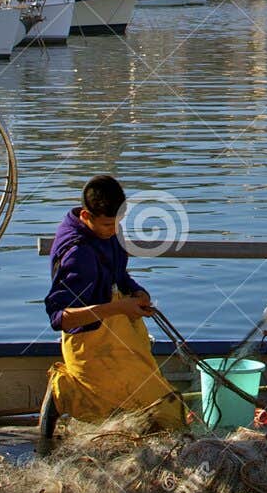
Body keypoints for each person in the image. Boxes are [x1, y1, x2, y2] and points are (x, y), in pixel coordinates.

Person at [39, 175, 185, 442]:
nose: (114, 230)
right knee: (162, 408)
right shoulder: (77, 254)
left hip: (119, 330)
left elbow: (119, 275)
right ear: (86, 215)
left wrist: (136, 291)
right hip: (88, 342)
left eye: (118, 222)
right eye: (108, 224)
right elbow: (60, 319)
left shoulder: (107, 231)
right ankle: (63, 393)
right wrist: (118, 308)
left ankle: (71, 393)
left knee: (159, 406)